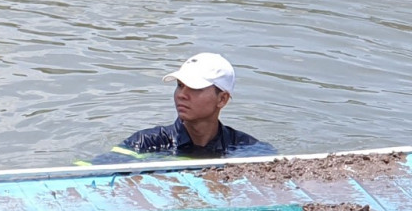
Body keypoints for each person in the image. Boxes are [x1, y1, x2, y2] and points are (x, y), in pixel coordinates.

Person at [97, 52, 277, 163]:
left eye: (195, 88)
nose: (181, 94)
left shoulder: (249, 150)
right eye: (180, 85)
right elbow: (91, 171)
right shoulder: (146, 143)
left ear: (222, 99)